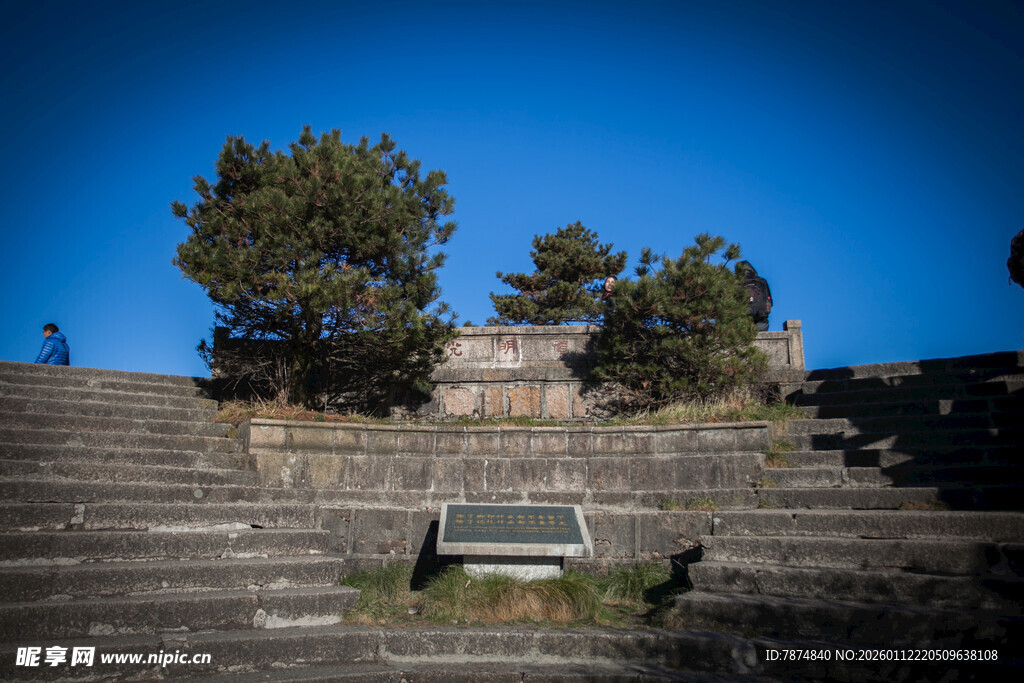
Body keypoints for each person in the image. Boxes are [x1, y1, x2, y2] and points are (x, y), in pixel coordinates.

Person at [735, 262, 772, 332]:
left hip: (740, 322)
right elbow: (769, 301)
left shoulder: (734, 282)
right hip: (761, 320)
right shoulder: (762, 281)